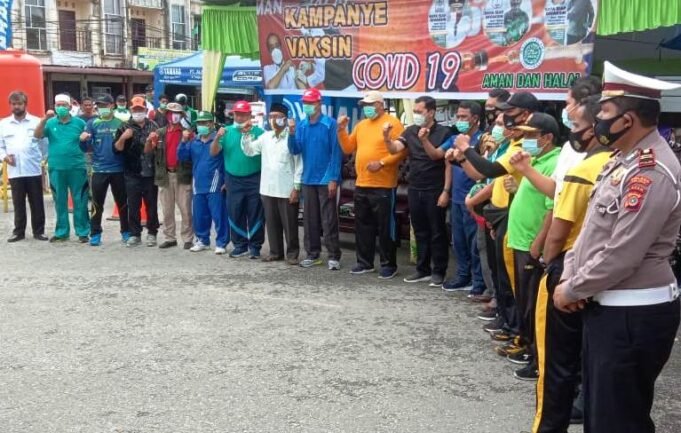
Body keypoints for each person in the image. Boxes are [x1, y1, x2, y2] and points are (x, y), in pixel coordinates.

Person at [554, 62, 681, 433]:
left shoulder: (651, 171)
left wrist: (573, 289)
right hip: (607, 303)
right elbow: (591, 232)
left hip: (632, 312)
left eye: (605, 112)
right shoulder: (622, 161)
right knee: (600, 413)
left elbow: (624, 252)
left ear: (628, 120)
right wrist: (570, 275)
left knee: (618, 419)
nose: (597, 120)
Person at [526, 95, 610, 433]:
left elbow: (558, 231)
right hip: (604, 273)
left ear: (595, 129)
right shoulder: (620, 165)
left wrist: (548, 262)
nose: (572, 132)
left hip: (567, 270)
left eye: (576, 125)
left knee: (555, 366)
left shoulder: (582, 171)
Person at [447, 92, 539, 342]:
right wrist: (462, 158)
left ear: (525, 116)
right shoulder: (506, 145)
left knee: (511, 277)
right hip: (497, 212)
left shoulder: (521, 147)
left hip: (512, 214)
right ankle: (506, 319)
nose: (503, 122)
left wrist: (466, 148)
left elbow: (489, 169)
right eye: (500, 118)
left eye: (508, 116)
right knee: (500, 274)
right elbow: (483, 175)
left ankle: (515, 327)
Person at [504, 113, 562, 381]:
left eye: (531, 135)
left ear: (547, 137)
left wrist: (538, 243)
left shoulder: (554, 163)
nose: (525, 139)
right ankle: (528, 348)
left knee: (533, 305)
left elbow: (552, 208)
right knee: (524, 301)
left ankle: (538, 359)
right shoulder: (535, 161)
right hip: (520, 240)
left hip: (531, 244)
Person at [384, 95, 454, 286]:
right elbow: (394, 149)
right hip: (415, 187)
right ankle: (422, 269)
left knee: (437, 231)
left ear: (431, 112)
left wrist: (446, 191)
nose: (416, 115)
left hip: (435, 188)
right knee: (420, 230)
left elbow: (436, 156)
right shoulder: (410, 131)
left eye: (419, 111)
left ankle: (439, 271)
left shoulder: (444, 133)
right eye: (414, 111)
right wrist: (387, 138)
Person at [338, 91, 406, 279]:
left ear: (380, 105)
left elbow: (401, 152)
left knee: (385, 227)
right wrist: (341, 130)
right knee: (362, 225)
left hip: (384, 184)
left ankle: (388, 264)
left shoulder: (393, 123)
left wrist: (382, 163)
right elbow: (348, 147)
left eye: (370, 105)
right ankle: (364, 262)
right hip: (362, 182)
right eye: (364, 105)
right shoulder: (361, 125)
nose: (366, 108)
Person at [288, 88, 343, 270]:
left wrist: (333, 178)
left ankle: (334, 256)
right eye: (305, 103)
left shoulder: (330, 124)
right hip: (307, 179)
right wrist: (291, 133)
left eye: (311, 103)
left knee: (328, 219)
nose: (307, 106)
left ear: (319, 103)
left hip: (326, 179)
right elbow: (295, 150)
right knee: (309, 219)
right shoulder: (302, 125)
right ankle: (313, 254)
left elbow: (336, 152)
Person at [241, 103, 302, 264]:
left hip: (287, 189)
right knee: (272, 224)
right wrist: (246, 135)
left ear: (285, 119)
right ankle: (275, 252)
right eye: (271, 116)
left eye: (277, 116)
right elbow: (250, 151)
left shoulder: (292, 137)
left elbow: (299, 164)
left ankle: (292, 254)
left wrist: (296, 188)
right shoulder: (266, 137)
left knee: (290, 224)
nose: (273, 120)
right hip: (268, 188)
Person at [211, 100, 265, 259]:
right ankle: (240, 246)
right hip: (233, 179)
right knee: (235, 212)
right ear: (233, 114)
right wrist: (216, 138)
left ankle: (255, 246)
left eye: (243, 114)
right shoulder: (226, 131)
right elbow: (213, 152)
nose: (240, 117)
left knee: (255, 213)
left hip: (254, 178)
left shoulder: (259, 132)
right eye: (237, 114)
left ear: (250, 115)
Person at [34, 93, 90, 243]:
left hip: (77, 167)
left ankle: (83, 232)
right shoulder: (50, 123)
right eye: (58, 105)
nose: (61, 108)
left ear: (70, 107)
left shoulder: (79, 123)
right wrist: (44, 119)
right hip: (56, 168)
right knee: (59, 201)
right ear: (54, 107)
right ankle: (62, 232)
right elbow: (37, 135)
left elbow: (87, 141)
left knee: (80, 200)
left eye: (63, 105)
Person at [79, 94, 129, 246]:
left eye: (105, 105)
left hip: (118, 169)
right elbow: (85, 148)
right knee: (96, 204)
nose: (102, 108)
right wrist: (82, 140)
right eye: (99, 106)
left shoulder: (121, 123)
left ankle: (126, 232)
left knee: (122, 203)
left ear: (112, 105)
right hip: (99, 170)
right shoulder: (92, 123)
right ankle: (95, 234)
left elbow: (127, 147)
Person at [178, 111, 229, 254]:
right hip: (198, 184)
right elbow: (182, 157)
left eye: (205, 122)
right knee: (199, 215)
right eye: (199, 123)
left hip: (215, 183)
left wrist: (226, 180)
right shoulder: (194, 142)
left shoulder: (219, 139)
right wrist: (183, 141)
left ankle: (221, 242)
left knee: (219, 215)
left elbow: (227, 160)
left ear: (211, 124)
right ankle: (202, 240)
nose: (202, 125)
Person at [0, 91, 47, 242]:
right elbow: (0, 146)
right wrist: (4, 157)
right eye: (14, 104)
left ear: (25, 104)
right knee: (18, 203)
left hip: (33, 168)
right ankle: (18, 232)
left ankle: (39, 231)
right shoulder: (3, 124)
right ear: (10, 105)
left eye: (19, 103)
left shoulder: (36, 122)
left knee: (37, 202)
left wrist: (42, 159)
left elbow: (44, 143)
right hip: (15, 170)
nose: (16, 107)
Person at [113, 95, 160, 247]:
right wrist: (123, 138)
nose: (138, 112)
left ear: (145, 110)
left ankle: (152, 232)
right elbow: (117, 149)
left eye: (140, 109)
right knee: (133, 205)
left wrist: (152, 141)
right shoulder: (124, 126)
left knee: (151, 204)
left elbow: (156, 149)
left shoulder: (153, 126)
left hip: (149, 171)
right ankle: (135, 234)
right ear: (131, 110)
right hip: (131, 171)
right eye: (135, 109)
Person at [154, 102, 194, 250]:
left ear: (181, 116)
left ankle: (188, 238)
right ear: (167, 115)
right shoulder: (160, 133)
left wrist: (187, 139)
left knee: (185, 209)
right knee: (167, 210)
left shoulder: (187, 133)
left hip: (182, 174)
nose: (174, 116)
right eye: (171, 113)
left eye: (177, 113)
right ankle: (170, 238)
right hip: (165, 174)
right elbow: (152, 152)